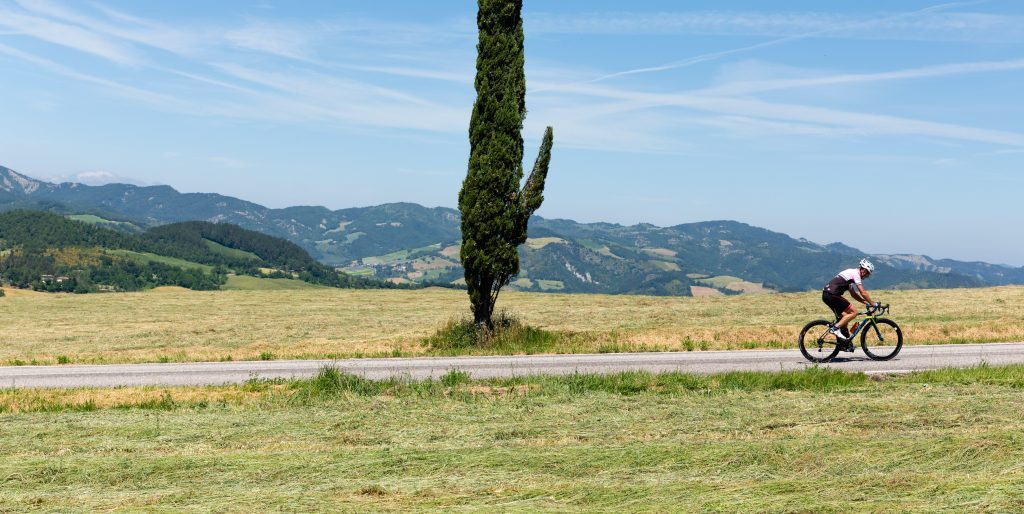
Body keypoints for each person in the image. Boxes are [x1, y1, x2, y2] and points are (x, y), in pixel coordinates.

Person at [822, 259, 879, 348]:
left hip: (827, 295)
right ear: (863, 270)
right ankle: (834, 329)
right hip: (832, 294)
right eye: (868, 273)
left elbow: (853, 294)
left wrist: (864, 302)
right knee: (854, 312)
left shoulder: (850, 275)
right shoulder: (856, 274)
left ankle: (844, 343)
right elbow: (862, 292)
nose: (867, 276)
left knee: (844, 318)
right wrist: (873, 303)